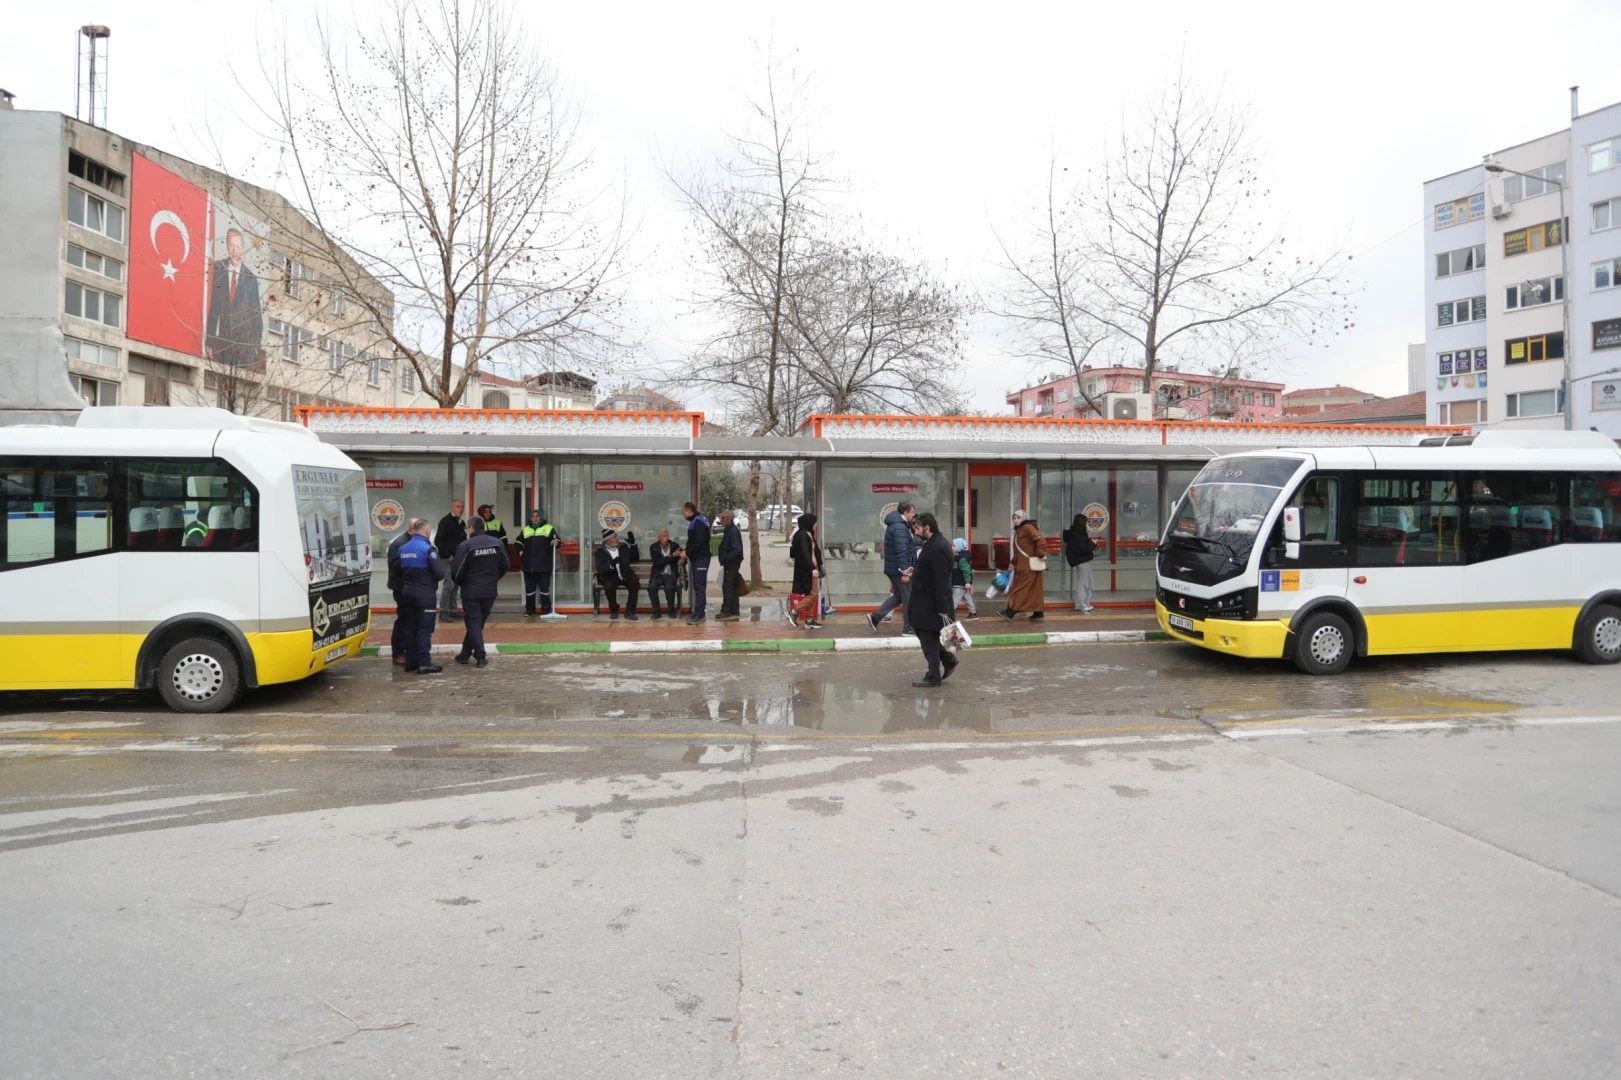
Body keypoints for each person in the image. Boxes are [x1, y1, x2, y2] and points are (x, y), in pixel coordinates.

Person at [906, 513, 957, 687]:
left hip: (932, 603)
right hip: (925, 601)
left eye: (917, 528)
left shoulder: (938, 547)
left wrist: (943, 607)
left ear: (927, 527)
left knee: (928, 637)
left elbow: (941, 579)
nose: (915, 532)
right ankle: (948, 660)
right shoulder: (932, 543)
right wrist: (916, 571)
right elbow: (930, 570)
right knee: (925, 634)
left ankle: (934, 676)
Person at [451, 516, 507, 667]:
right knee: (477, 623)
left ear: (471, 528)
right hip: (490, 590)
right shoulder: (497, 543)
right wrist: (493, 579)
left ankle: (480, 655)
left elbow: (457, 571)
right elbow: (505, 565)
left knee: (474, 623)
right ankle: (464, 655)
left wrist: (462, 583)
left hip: (471, 591)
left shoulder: (465, 546)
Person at [205, 228, 263, 368]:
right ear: (227, 246)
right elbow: (213, 311)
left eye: (238, 246)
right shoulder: (218, 270)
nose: (235, 250)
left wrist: (254, 347)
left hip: (244, 349)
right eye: (232, 245)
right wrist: (209, 342)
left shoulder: (251, 279)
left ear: (243, 249)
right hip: (224, 345)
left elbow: (256, 316)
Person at [396, 518, 445, 674]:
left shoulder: (402, 549)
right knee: (424, 629)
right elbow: (440, 573)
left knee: (410, 628)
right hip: (425, 595)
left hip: (407, 594)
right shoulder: (428, 550)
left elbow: (399, 569)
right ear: (427, 531)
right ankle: (424, 663)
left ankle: (411, 662)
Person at [866, 501, 916, 634]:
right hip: (900, 570)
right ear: (905, 512)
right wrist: (906, 571)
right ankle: (908, 629)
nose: (913, 515)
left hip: (894, 569)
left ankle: (875, 617)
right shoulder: (900, 527)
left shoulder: (896, 525)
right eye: (912, 512)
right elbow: (901, 550)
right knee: (908, 598)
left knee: (899, 595)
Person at [1002, 509, 1047, 621]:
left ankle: (1011, 612)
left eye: (1018, 517)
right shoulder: (1019, 530)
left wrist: (1040, 554)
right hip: (1025, 565)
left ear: (1023, 518)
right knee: (1033, 590)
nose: (1015, 520)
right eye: (1014, 518)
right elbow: (1019, 550)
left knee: (1019, 588)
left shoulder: (1027, 527)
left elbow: (1040, 540)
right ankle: (1038, 612)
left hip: (1028, 566)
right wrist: (1013, 562)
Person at [517, 509, 560, 617]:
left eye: (537, 516)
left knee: (544, 589)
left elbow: (556, 540)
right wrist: (520, 550)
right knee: (529, 590)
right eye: (533, 516)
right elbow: (518, 541)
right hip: (529, 566)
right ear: (530, 518)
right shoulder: (525, 530)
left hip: (544, 566)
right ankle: (529, 609)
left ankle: (546, 609)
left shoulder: (548, 528)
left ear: (541, 517)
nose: (535, 518)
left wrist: (555, 542)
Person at [593, 529, 640, 620]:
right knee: (609, 587)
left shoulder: (623, 547)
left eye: (616, 536)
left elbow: (635, 558)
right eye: (614, 537)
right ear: (607, 540)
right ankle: (614, 610)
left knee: (634, 583)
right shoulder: (600, 551)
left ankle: (630, 611)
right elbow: (600, 569)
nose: (617, 539)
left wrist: (633, 545)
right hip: (610, 576)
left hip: (625, 574)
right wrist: (611, 565)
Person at [788, 513, 823, 629]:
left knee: (810, 593)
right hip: (807, 569)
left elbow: (813, 552)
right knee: (814, 594)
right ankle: (794, 612)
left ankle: (809, 619)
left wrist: (818, 566)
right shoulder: (803, 535)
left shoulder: (808, 534)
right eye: (815, 523)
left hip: (811, 568)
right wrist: (812, 568)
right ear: (809, 523)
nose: (816, 525)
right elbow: (805, 553)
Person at [434, 500, 468, 623]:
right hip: (447, 559)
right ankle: (443, 612)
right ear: (452, 508)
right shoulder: (446, 521)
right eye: (458, 506)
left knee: (455, 585)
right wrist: (447, 554)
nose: (460, 509)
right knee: (449, 585)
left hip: (458, 559)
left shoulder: (461, 523)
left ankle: (453, 610)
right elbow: (438, 540)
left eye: (462, 507)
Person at [678, 502, 711, 625]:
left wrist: (687, 552)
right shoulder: (694, 521)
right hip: (697, 558)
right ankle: (697, 612)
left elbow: (700, 541)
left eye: (683, 512)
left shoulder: (698, 522)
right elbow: (692, 541)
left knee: (699, 587)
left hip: (701, 558)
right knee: (697, 586)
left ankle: (700, 615)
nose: (682, 515)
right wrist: (685, 552)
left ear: (688, 511)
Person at [1061, 513, 1098, 614]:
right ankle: (1081, 604)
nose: (1086, 524)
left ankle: (1085, 603)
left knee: (1089, 583)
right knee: (1083, 583)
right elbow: (1083, 549)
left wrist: (1091, 544)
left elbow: (1082, 547)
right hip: (1082, 560)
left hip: (1083, 560)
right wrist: (1093, 544)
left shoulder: (1077, 534)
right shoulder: (1077, 535)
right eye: (1085, 522)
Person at [385, 528, 411, 666]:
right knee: (403, 619)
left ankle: (407, 650)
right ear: (411, 530)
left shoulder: (411, 541)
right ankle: (398, 653)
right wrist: (412, 559)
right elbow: (395, 564)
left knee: (410, 620)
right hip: (401, 588)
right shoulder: (398, 544)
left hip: (410, 587)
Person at [648, 528, 683, 620]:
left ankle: (671, 612)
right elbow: (658, 562)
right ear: (658, 538)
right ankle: (656, 613)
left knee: (669, 588)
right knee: (651, 587)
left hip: (671, 574)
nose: (666, 538)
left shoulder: (674, 546)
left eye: (667, 536)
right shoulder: (653, 547)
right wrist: (672, 555)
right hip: (658, 574)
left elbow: (681, 556)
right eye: (663, 536)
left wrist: (682, 559)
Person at [716, 510, 744, 621]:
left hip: (732, 563)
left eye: (723, 518)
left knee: (727, 586)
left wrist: (727, 558)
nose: (721, 520)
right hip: (732, 562)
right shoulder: (730, 530)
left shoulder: (732, 531)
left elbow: (737, 549)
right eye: (721, 518)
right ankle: (734, 609)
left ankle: (726, 610)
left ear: (729, 519)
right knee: (733, 586)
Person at [950, 537, 979, 620]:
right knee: (967, 598)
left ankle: (949, 614)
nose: (952, 547)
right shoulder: (959, 556)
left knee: (955, 599)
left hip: (959, 582)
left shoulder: (961, 558)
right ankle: (973, 613)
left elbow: (966, 570)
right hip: (961, 582)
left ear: (959, 547)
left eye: (954, 545)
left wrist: (967, 581)